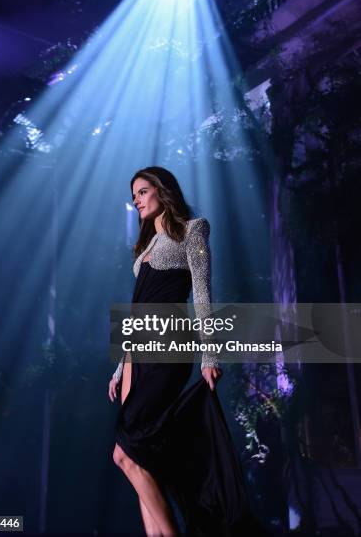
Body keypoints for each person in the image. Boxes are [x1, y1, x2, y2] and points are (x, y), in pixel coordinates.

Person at [108, 166, 267, 536]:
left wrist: (210, 357)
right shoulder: (145, 243)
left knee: (125, 453)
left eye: (143, 191)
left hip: (167, 344)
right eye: (134, 194)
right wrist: (119, 368)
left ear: (163, 191)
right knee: (137, 457)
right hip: (136, 350)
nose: (136, 199)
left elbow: (203, 293)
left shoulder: (193, 229)